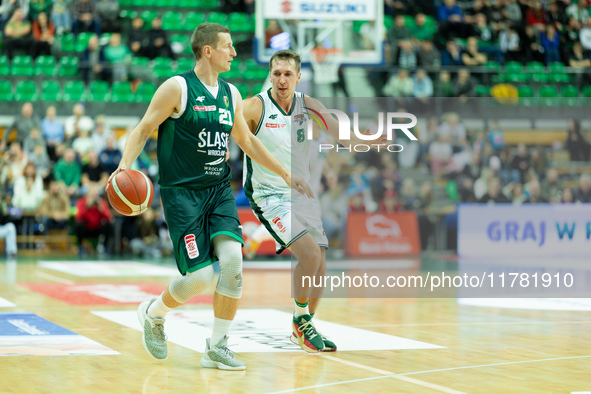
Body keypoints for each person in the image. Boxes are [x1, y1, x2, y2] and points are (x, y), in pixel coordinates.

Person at [108, 23, 312, 370]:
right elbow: (142, 129)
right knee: (201, 277)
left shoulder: (231, 93)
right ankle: (154, 314)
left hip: (217, 191)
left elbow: (247, 142)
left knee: (233, 262)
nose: (234, 52)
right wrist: (123, 168)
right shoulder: (177, 88)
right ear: (208, 51)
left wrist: (285, 173)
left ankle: (217, 345)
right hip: (182, 195)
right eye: (228, 46)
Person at [241, 49, 386, 353]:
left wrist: (371, 140)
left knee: (320, 260)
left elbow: (343, 135)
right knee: (308, 254)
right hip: (269, 195)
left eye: (287, 74)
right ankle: (299, 321)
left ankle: (305, 323)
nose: (282, 79)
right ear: (270, 74)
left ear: (298, 77)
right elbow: (227, 125)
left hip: (301, 194)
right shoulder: (255, 106)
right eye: (276, 73)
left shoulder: (308, 106)